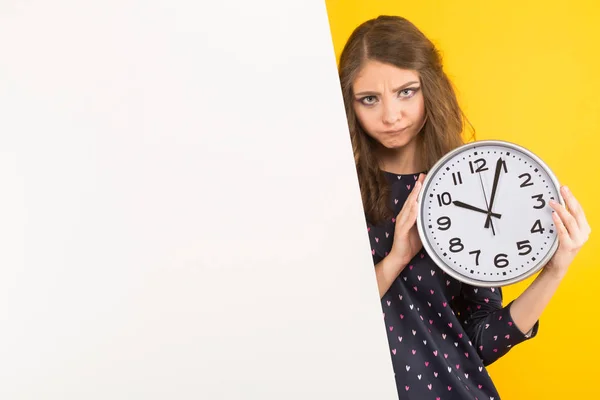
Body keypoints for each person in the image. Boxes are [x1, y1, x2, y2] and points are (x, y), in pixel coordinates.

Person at [337, 15, 591, 399]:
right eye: (369, 99)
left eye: (406, 91)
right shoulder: (335, 190)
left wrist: (554, 270)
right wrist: (395, 259)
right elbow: (323, 320)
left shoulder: (471, 182)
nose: (390, 115)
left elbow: (480, 340)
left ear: (431, 89)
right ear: (349, 103)